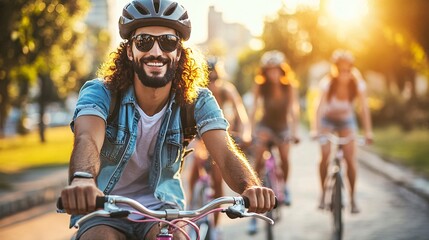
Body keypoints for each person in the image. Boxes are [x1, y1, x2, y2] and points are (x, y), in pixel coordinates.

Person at [59, 0, 276, 239]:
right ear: (130, 51)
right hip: (103, 210)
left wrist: (251, 187)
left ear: (178, 53)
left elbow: (224, 153)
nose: (155, 52)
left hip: (164, 211)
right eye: (144, 42)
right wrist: (83, 180)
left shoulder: (197, 100)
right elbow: (87, 137)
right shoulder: (101, 92)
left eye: (167, 42)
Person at [187, 57, 252, 238]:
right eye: (208, 80)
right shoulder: (195, 93)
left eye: (215, 79)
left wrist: (245, 133)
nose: (212, 84)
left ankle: (215, 226)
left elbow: (241, 114)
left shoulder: (226, 91)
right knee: (194, 171)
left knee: (217, 177)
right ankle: (192, 204)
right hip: (198, 135)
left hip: (220, 134)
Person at [311, 49, 373, 214]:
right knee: (324, 156)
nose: (344, 73)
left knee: (350, 159)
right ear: (335, 69)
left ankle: (352, 199)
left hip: (346, 121)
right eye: (340, 70)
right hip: (328, 120)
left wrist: (368, 132)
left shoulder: (357, 84)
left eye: (348, 69)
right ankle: (323, 193)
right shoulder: (328, 83)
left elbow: (364, 108)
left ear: (351, 68)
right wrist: (316, 130)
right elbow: (319, 106)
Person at [250, 50, 300, 205]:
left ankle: (284, 186)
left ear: (281, 69)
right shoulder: (261, 86)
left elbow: (293, 109)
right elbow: (254, 108)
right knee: (258, 158)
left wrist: (294, 132)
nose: (273, 73)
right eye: (269, 70)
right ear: (265, 71)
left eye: (276, 69)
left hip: (282, 126)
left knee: (285, 157)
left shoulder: (289, 86)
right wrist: (251, 131)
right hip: (265, 125)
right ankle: (255, 190)